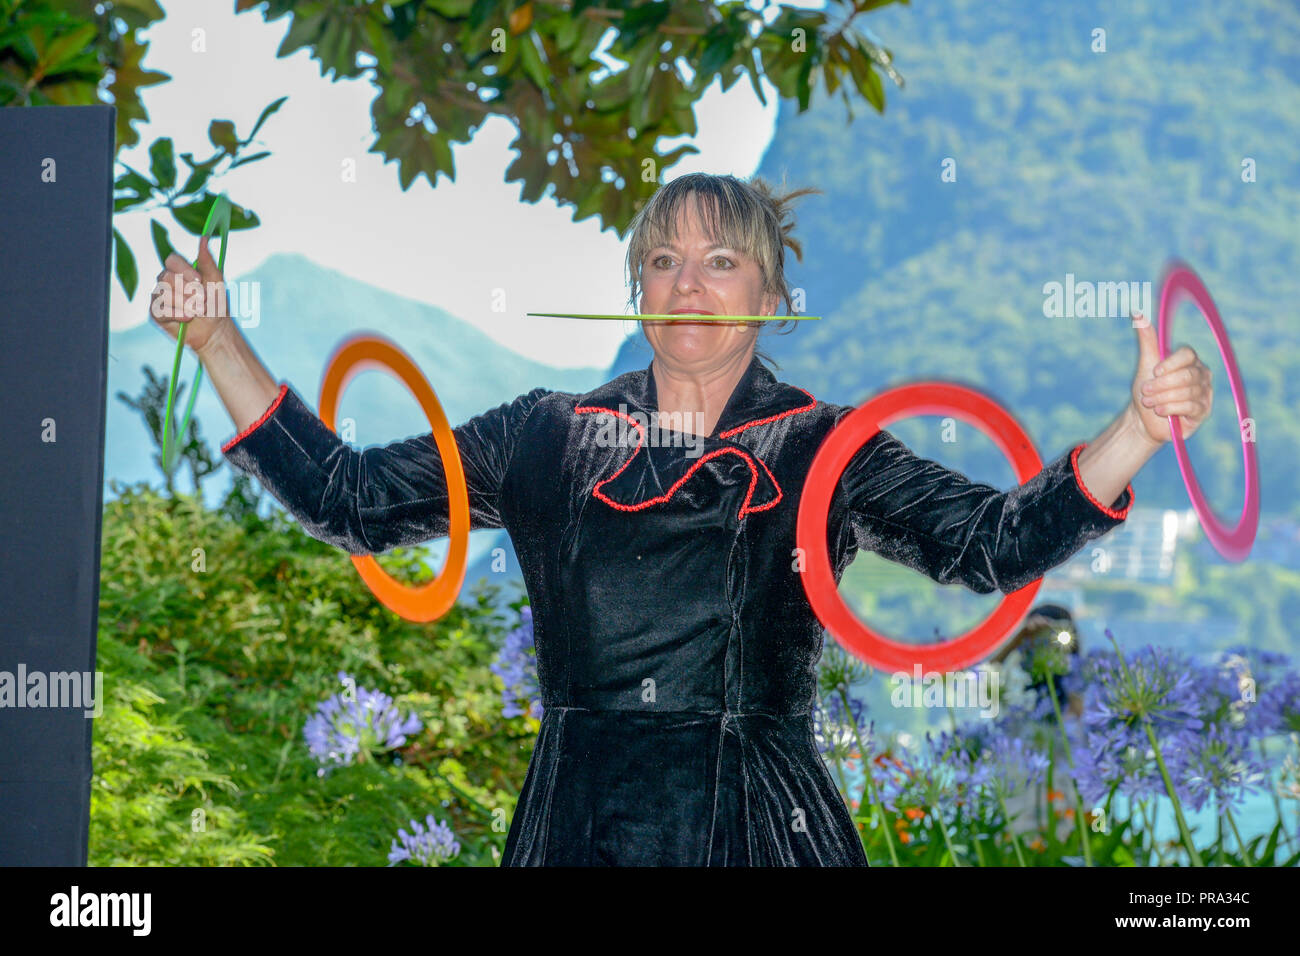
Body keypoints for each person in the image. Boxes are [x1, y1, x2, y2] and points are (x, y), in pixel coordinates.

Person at [150, 172, 1214, 866]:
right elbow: (346, 499)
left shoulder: (822, 447)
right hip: (577, 821)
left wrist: (1133, 426)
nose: (687, 281)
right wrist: (216, 343)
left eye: (720, 260)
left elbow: (993, 543)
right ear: (634, 288)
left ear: (769, 291)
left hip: (757, 822)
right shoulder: (537, 435)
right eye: (662, 258)